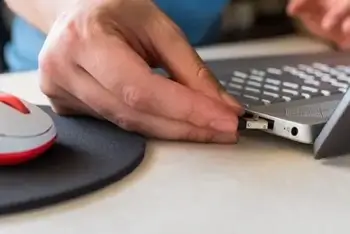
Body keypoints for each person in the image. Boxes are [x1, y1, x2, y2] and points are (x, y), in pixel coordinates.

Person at [3, 0, 349, 144]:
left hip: (216, 74)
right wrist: (75, 9)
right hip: (54, 91)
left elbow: (305, 13)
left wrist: (328, 18)